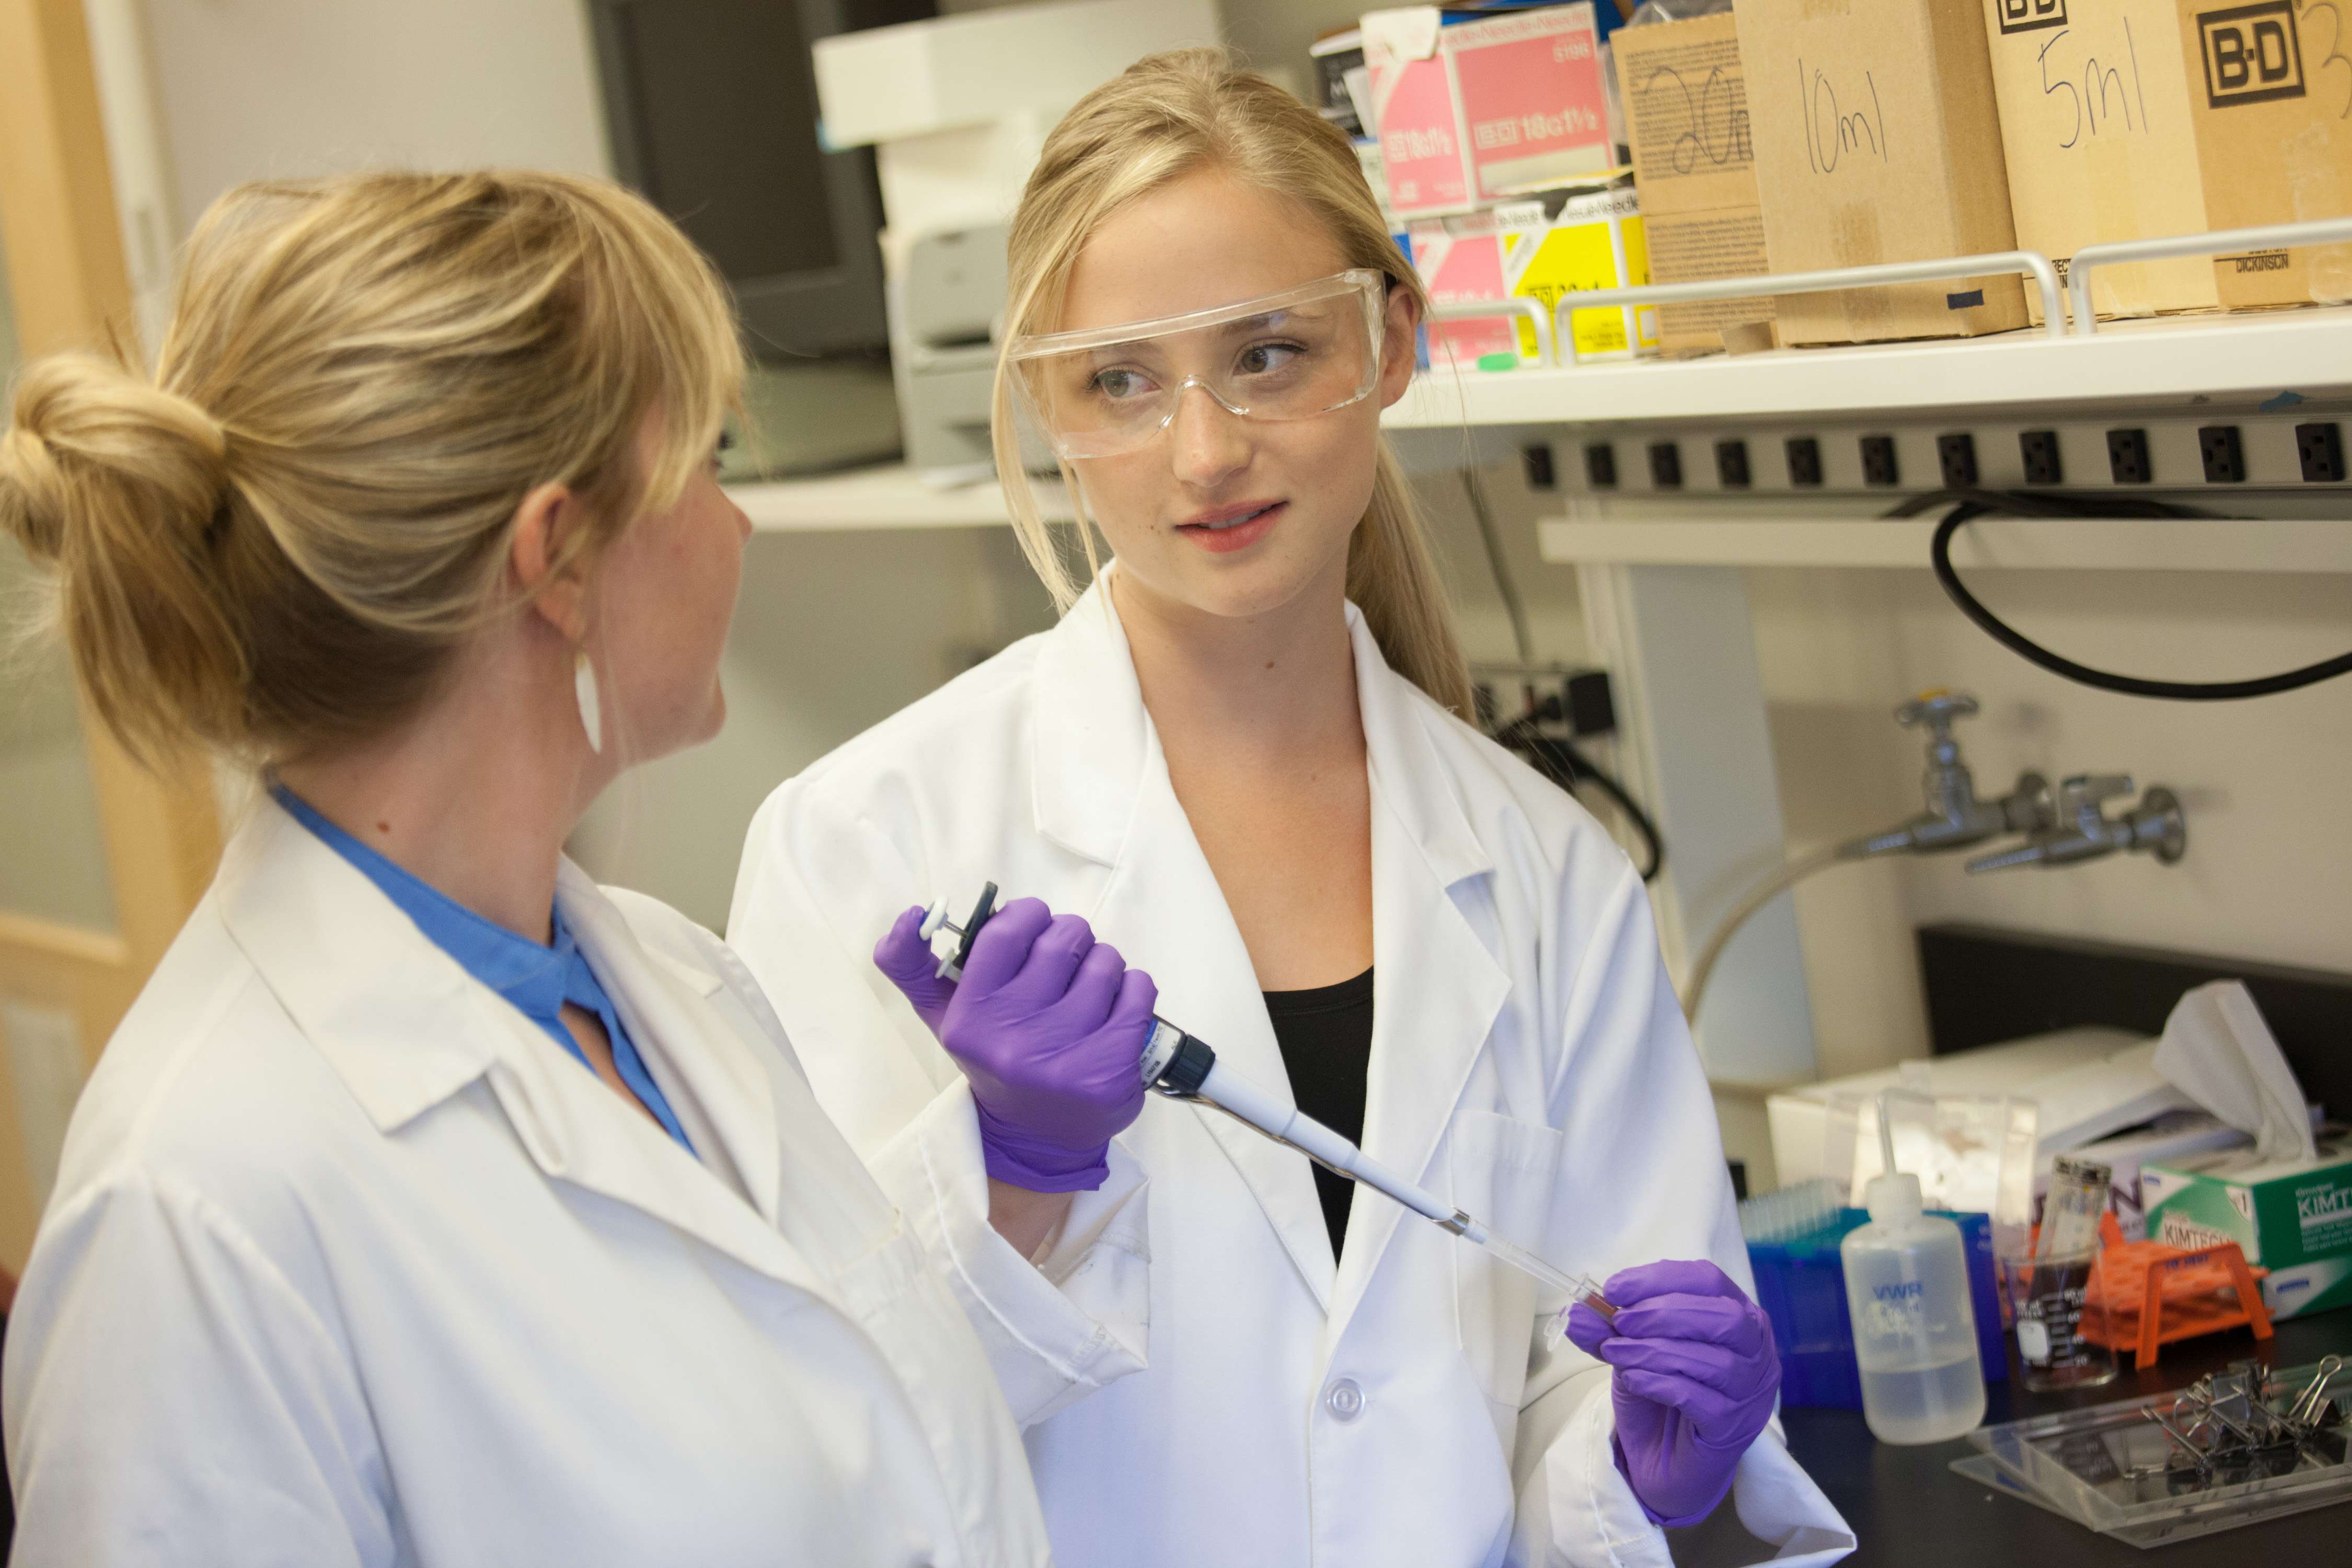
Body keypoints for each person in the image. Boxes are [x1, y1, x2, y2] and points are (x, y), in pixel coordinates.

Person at [729, 49, 1857, 1568]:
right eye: (1118, 379)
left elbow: (1556, 1398)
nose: (1204, 452)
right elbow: (815, 1451)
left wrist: (1643, 1460)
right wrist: (1011, 1181)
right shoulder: (865, 843)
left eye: (1267, 353)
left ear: (1388, 340)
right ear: (1045, 408)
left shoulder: (1542, 870)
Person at [0, 169, 1156, 1566]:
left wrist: (1013, 1173)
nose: (736, 529)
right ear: (555, 559)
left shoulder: (656, 980)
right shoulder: (200, 1208)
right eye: (712, 464)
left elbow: (829, 1442)